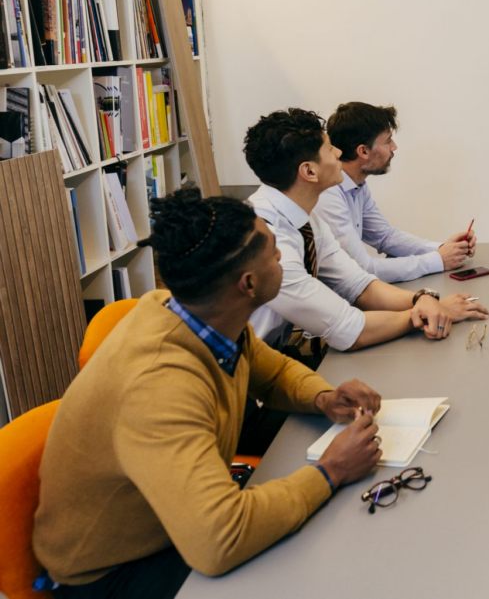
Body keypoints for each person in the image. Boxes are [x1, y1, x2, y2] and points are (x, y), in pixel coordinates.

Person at [33, 189, 386, 598]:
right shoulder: (158, 387)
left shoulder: (188, 310)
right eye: (274, 252)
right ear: (248, 283)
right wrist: (331, 471)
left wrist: (323, 397)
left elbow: (271, 372)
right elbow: (219, 540)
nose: (280, 259)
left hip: (173, 519)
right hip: (112, 573)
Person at [243, 108, 489, 361]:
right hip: (238, 377)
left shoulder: (305, 219)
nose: (339, 152)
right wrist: (425, 312)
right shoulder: (267, 241)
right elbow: (348, 331)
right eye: (329, 149)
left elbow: (359, 285)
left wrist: (422, 298)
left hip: (269, 358)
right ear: (309, 171)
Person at [315, 101, 475, 283]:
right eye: (388, 140)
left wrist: (444, 248)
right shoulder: (328, 194)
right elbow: (362, 268)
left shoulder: (357, 184)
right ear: (363, 151)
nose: (394, 147)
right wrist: (437, 260)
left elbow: (385, 236)